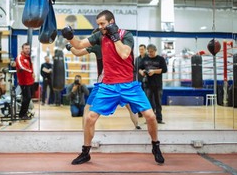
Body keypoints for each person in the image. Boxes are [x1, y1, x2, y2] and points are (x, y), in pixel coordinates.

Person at [61, 10, 164, 165]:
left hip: (129, 85)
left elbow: (124, 54)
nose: (100, 27)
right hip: (108, 86)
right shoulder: (99, 36)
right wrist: (70, 36)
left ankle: (155, 146)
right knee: (90, 118)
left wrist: (115, 37)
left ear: (112, 21)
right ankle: (86, 152)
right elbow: (79, 45)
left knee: (150, 116)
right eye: (98, 24)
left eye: (102, 24)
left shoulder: (126, 35)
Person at [66, 38, 141, 129]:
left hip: (104, 83)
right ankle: (137, 126)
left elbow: (77, 52)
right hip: (122, 81)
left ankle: (85, 132)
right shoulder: (118, 44)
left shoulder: (97, 46)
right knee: (130, 106)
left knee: (88, 108)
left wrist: (70, 46)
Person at [139, 44, 168, 124]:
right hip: (147, 84)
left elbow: (164, 70)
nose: (150, 53)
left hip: (157, 84)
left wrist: (154, 71)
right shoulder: (145, 58)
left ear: (155, 51)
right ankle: (149, 119)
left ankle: (159, 119)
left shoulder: (160, 59)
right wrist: (142, 72)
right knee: (148, 103)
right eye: (148, 52)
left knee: (158, 102)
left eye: (151, 52)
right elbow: (140, 68)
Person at [15, 42, 35, 120]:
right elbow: (21, 66)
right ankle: (22, 114)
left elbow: (31, 66)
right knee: (26, 98)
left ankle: (24, 114)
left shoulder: (28, 57)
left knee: (28, 98)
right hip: (23, 82)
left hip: (29, 81)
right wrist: (30, 71)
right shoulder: (20, 57)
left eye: (28, 48)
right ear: (22, 49)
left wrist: (33, 73)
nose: (27, 50)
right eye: (26, 48)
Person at [134, 44, 147, 117]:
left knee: (147, 97)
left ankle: (147, 111)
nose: (141, 51)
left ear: (145, 50)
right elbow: (135, 69)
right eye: (140, 49)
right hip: (139, 80)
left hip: (148, 81)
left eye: (142, 49)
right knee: (139, 97)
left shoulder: (148, 58)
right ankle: (140, 112)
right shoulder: (137, 59)